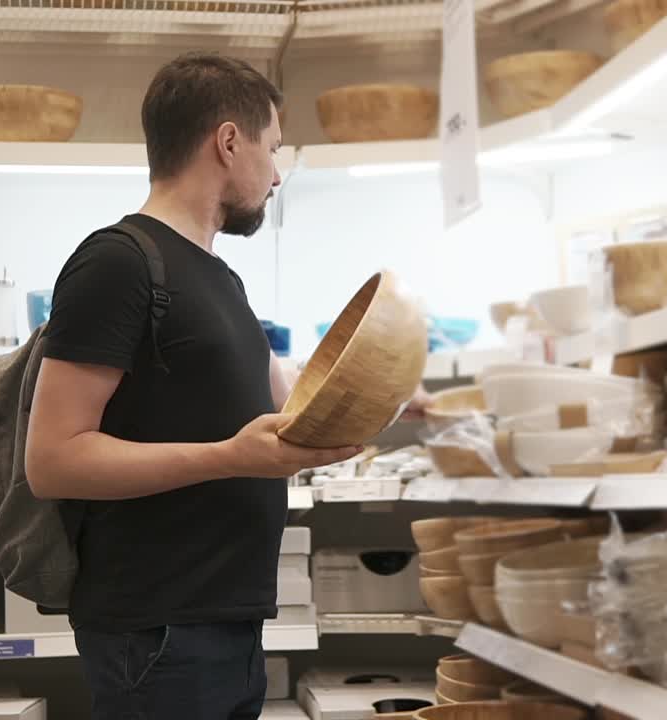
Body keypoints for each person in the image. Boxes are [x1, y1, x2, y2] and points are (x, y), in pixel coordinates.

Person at [25, 52, 423, 719]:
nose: (276, 174)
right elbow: (54, 459)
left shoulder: (220, 278)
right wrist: (231, 457)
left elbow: (286, 399)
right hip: (155, 630)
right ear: (229, 141)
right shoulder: (118, 263)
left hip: (224, 622)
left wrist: (397, 394)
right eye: (272, 148)